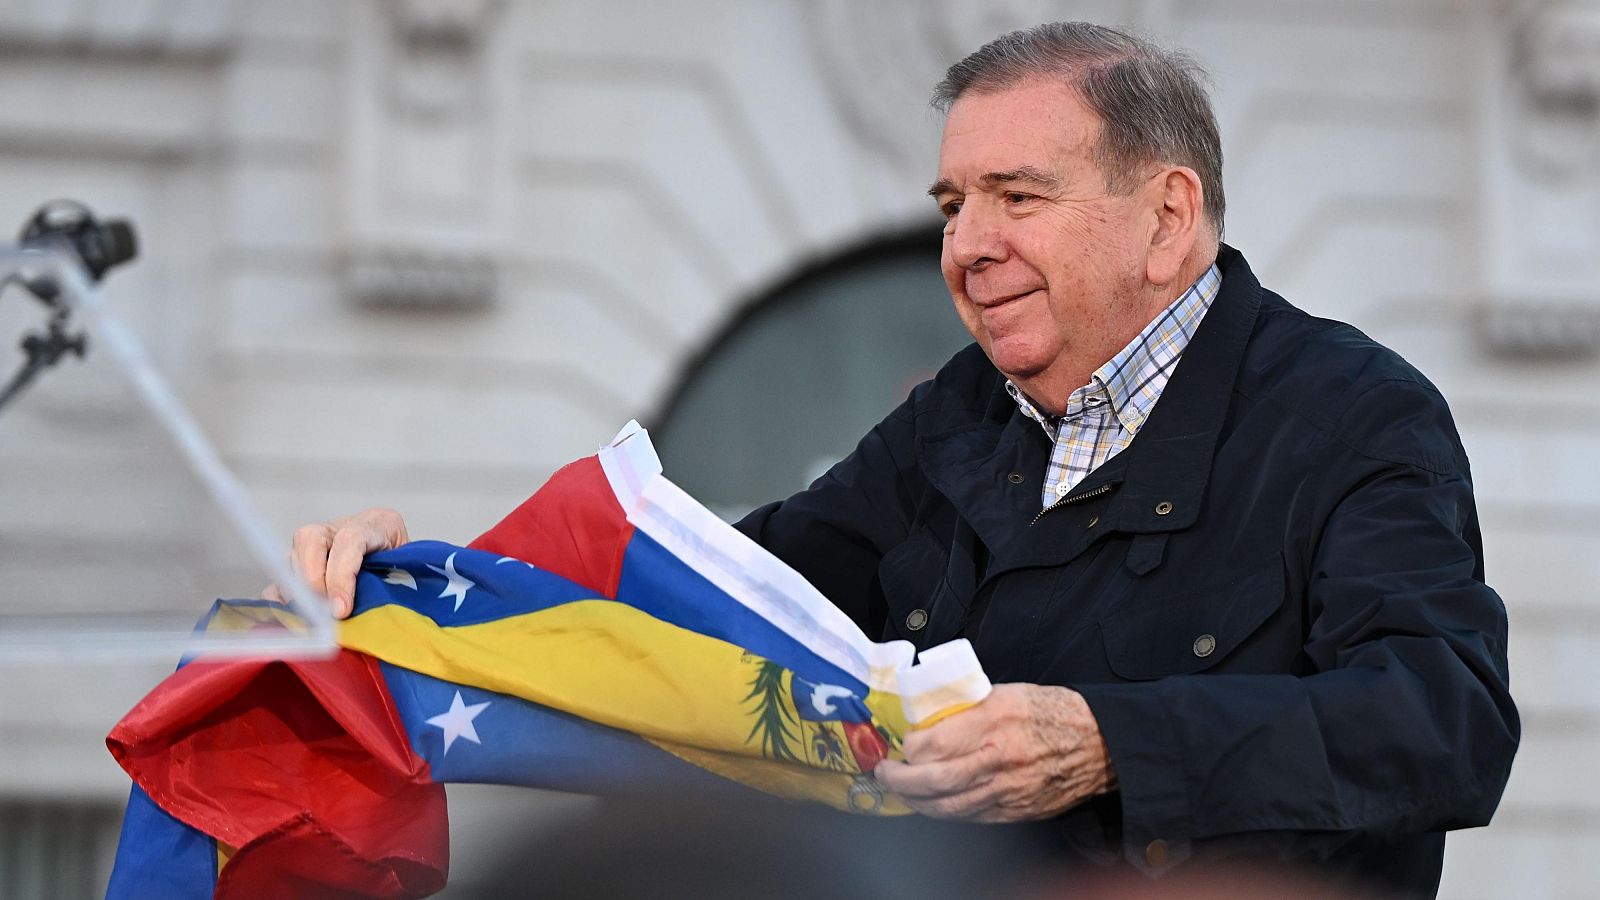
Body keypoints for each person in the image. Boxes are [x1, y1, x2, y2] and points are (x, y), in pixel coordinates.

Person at [274, 22, 1517, 899]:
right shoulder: (953, 421)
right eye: (949, 205)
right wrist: (423, 585)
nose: (965, 246)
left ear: (1167, 218)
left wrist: (1110, 744)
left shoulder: (1356, 414)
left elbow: (1443, 725)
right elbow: (709, 592)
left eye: (1016, 199)